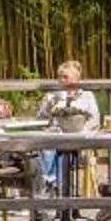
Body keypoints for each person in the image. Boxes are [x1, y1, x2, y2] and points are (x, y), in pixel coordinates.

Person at [34, 60, 100, 199]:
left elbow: (95, 120)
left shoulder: (87, 96)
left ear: (77, 79)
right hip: (54, 137)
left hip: (79, 137)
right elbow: (40, 120)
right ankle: (53, 183)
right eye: (60, 77)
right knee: (48, 147)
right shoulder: (52, 95)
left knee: (57, 148)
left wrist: (83, 131)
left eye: (65, 77)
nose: (61, 80)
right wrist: (48, 107)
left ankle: (53, 185)